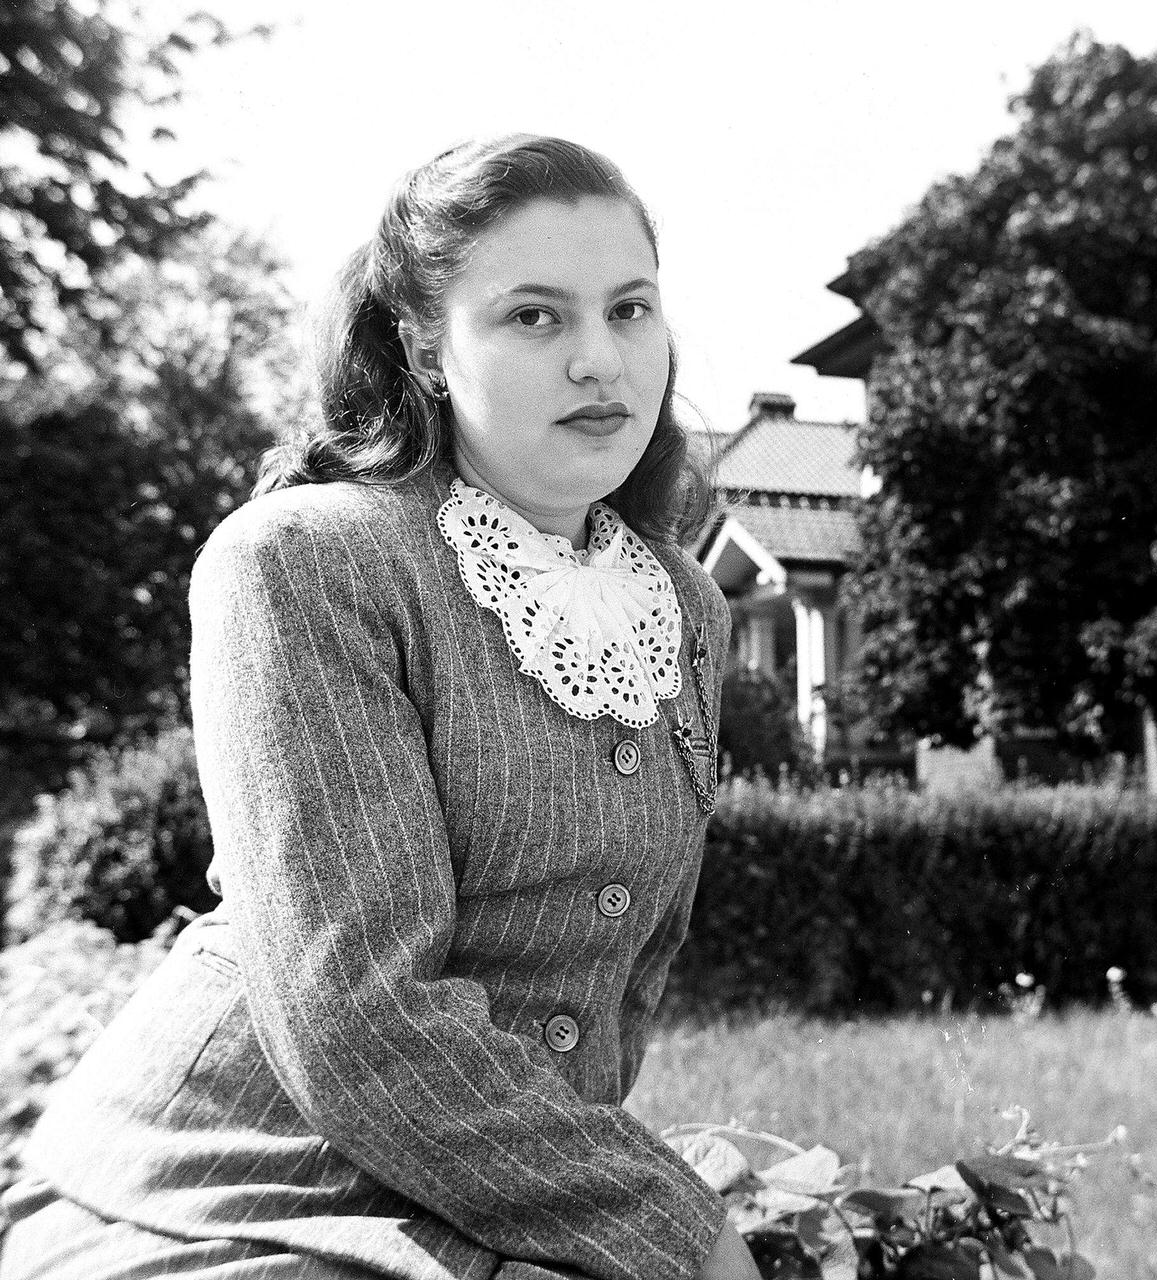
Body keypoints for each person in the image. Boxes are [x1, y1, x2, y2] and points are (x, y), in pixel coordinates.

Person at [0, 135, 761, 1280]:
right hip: (236, 1187)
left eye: (631, 308)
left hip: (486, 1205)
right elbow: (353, 1011)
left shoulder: (687, 604)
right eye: (535, 317)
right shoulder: (303, 562)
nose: (602, 360)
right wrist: (669, 1221)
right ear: (424, 345)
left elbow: (622, 978)